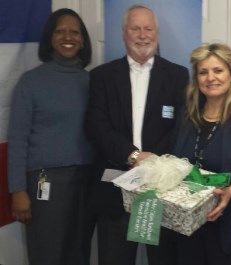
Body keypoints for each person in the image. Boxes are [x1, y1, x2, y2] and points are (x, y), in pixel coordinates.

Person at [85, 5, 189, 265]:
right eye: (135, 28)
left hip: (161, 190)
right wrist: (132, 155)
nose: (142, 35)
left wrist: (151, 161)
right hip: (115, 190)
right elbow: (96, 125)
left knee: (163, 259)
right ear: (124, 34)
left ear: (157, 33)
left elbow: (182, 127)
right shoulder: (102, 76)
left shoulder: (177, 75)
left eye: (148, 28)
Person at [154, 43, 231, 265]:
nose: (210, 78)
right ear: (196, 79)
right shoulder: (188, 117)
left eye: (218, 70)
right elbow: (176, 161)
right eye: (203, 72)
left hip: (229, 226)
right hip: (187, 225)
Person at [7, 8, 94, 265]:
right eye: (60, 31)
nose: (68, 37)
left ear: (82, 39)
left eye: (74, 32)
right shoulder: (30, 82)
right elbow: (18, 139)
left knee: (79, 253)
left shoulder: (91, 81)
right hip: (45, 184)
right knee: (47, 254)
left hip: (86, 181)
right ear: (50, 37)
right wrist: (18, 190)